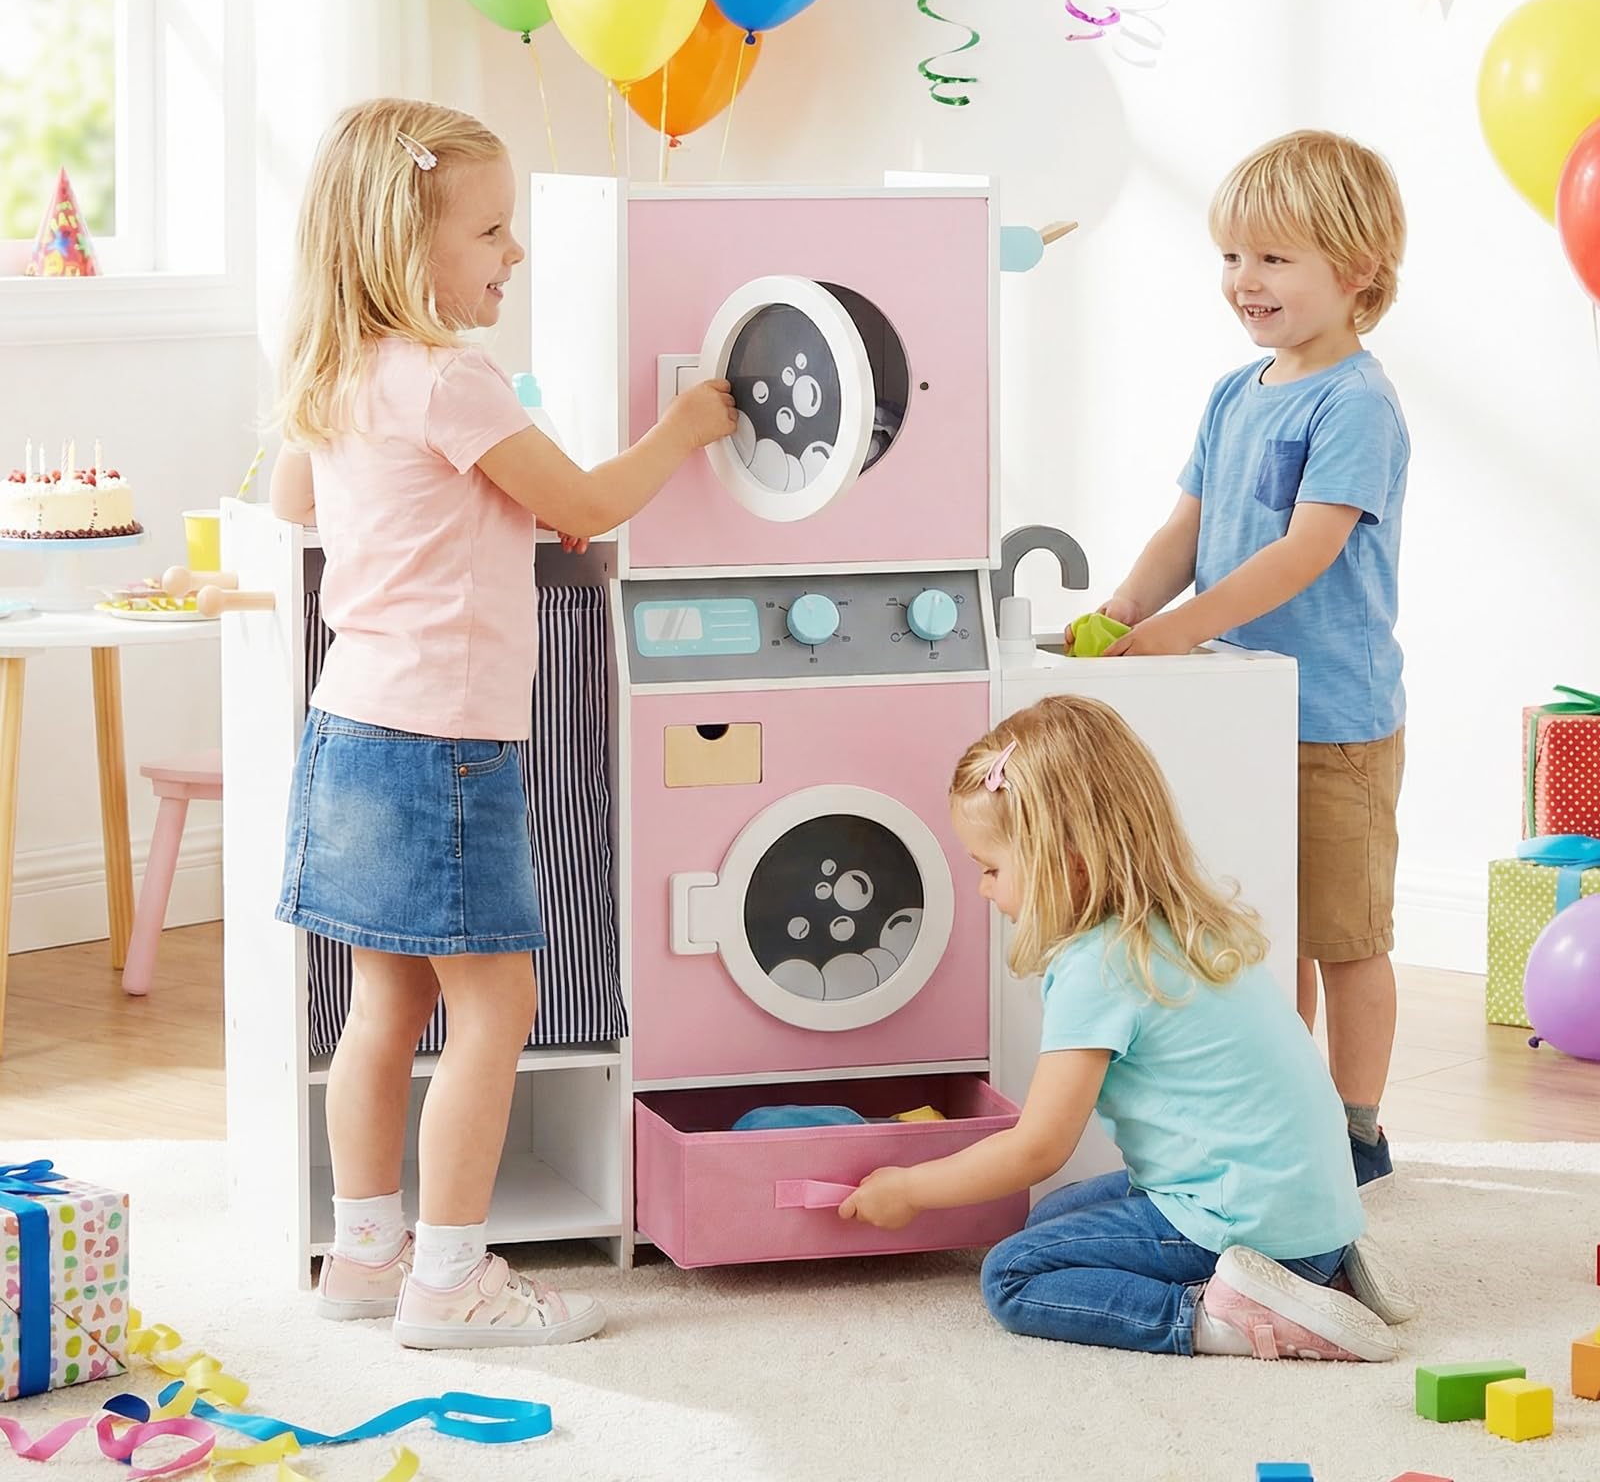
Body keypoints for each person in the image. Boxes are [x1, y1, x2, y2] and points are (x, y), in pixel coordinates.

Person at [268, 97, 735, 1347]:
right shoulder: (452, 377)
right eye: (489, 230)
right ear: (401, 242)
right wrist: (685, 426)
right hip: (446, 742)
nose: (512, 251)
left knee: (381, 1005)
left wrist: (487, 509)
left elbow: (299, 498)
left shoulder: (336, 373)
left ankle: (366, 1252)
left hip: (349, 725)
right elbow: (588, 501)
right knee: (495, 1006)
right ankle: (452, 1279)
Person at [839, 695, 1416, 1359]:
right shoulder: (1187, 929)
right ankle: (1324, 1274)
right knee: (1053, 1216)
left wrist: (911, 1190)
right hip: (1309, 1215)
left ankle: (1221, 1315)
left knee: (1013, 1273)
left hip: (1249, 1225)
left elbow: (1038, 1148)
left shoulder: (1098, 965)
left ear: (1068, 862)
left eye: (991, 869)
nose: (983, 890)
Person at [1077, 130, 1410, 1188]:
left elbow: (1306, 550)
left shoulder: (1356, 403)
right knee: (1268, 926)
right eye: (1231, 256)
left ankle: (1356, 1125)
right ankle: (1290, 1106)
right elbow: (1186, 525)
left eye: (1272, 258)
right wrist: (1130, 605)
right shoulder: (1235, 392)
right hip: (1238, 714)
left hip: (1332, 721)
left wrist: (1184, 628)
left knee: (1344, 934)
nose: (1243, 280)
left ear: (1355, 271)